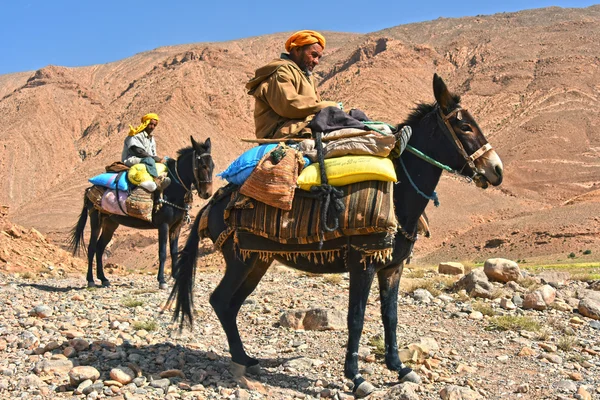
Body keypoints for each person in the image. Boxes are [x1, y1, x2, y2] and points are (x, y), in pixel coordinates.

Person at [245, 30, 340, 139]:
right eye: (313, 55)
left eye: (319, 57)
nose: (316, 61)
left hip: (301, 125)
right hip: (281, 131)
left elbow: (316, 105)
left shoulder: (307, 77)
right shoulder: (281, 72)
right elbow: (290, 106)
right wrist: (329, 106)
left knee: (354, 115)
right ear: (297, 50)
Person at [121, 113, 170, 189]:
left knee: (167, 159)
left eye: (154, 125)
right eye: (150, 124)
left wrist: (161, 160)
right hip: (131, 159)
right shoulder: (135, 135)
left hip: (147, 159)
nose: (152, 127)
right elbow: (138, 152)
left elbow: (153, 154)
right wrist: (156, 159)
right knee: (149, 160)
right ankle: (156, 179)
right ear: (145, 123)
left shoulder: (152, 139)